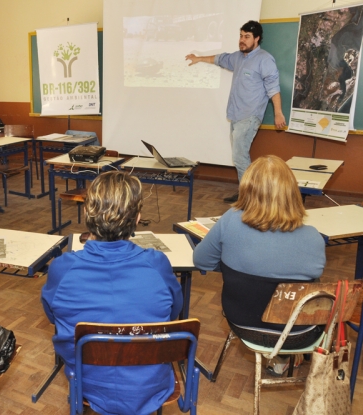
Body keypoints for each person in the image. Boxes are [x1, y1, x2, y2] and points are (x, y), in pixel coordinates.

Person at [41, 171, 183, 415]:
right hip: (150, 383)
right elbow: (174, 313)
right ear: (138, 218)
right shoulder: (157, 265)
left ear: (86, 213)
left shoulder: (62, 269)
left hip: (88, 381)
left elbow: (53, 316)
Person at [193, 155, 325, 374]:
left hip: (243, 324)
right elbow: (312, 273)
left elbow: (202, 260)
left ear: (247, 189)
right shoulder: (314, 238)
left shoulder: (230, 220)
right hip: (298, 333)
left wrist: (233, 263)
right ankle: (286, 358)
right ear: (291, 192)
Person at [185, 20, 287, 203]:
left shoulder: (264, 59)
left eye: (247, 37)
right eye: (241, 36)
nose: (242, 40)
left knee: (239, 157)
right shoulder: (238, 57)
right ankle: (245, 193)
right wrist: (199, 58)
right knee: (240, 157)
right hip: (235, 116)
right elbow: (220, 59)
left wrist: (278, 113)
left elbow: (273, 88)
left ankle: (248, 197)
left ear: (257, 39)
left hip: (250, 116)